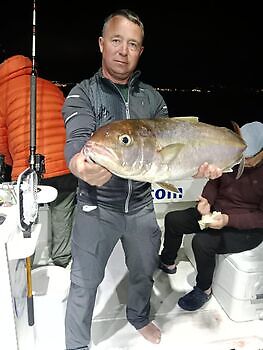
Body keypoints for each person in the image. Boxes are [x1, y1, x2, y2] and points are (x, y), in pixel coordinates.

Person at [62, 9, 222, 349]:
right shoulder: (82, 94)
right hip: (96, 207)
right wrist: (81, 166)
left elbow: (174, 155)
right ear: (102, 43)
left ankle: (138, 316)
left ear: (140, 51)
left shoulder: (153, 99)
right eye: (117, 41)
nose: (123, 50)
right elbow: (77, 143)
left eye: (132, 44)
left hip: (140, 206)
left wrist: (201, 167)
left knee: (143, 270)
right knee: (84, 281)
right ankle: (76, 344)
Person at [159, 121, 263, 311]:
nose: (244, 161)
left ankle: (203, 290)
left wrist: (227, 221)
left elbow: (260, 218)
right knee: (173, 219)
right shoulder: (231, 156)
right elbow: (214, 183)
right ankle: (167, 261)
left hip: (247, 228)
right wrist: (205, 202)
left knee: (202, 242)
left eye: (249, 157)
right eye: (242, 156)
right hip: (216, 214)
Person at [0, 54, 77, 267]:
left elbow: (2, 139)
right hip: (64, 163)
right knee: (62, 211)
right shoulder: (51, 87)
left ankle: (26, 265)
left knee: (27, 220)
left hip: (29, 169)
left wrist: (12, 163)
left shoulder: (3, 92)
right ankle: (61, 261)